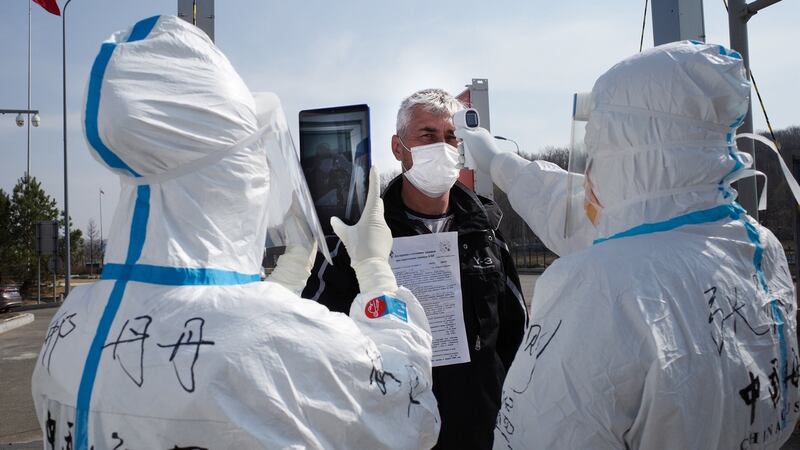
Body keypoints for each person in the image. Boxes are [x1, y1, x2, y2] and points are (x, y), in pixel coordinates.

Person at [31, 16, 439, 450]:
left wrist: (291, 269)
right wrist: (376, 271)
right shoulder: (287, 341)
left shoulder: (72, 323)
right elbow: (407, 406)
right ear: (230, 173)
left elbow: (232, 330)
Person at [456, 41, 799, 449]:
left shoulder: (599, 289)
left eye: (598, 147)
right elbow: (579, 213)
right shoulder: (752, 243)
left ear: (628, 154)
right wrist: (499, 162)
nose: (588, 171)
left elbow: (542, 431)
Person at [304, 88, 527, 449]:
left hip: (478, 431)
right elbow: (318, 327)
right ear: (398, 148)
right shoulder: (360, 233)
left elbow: (514, 334)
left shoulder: (485, 229)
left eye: (451, 136)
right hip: (391, 430)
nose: (442, 146)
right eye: (427, 135)